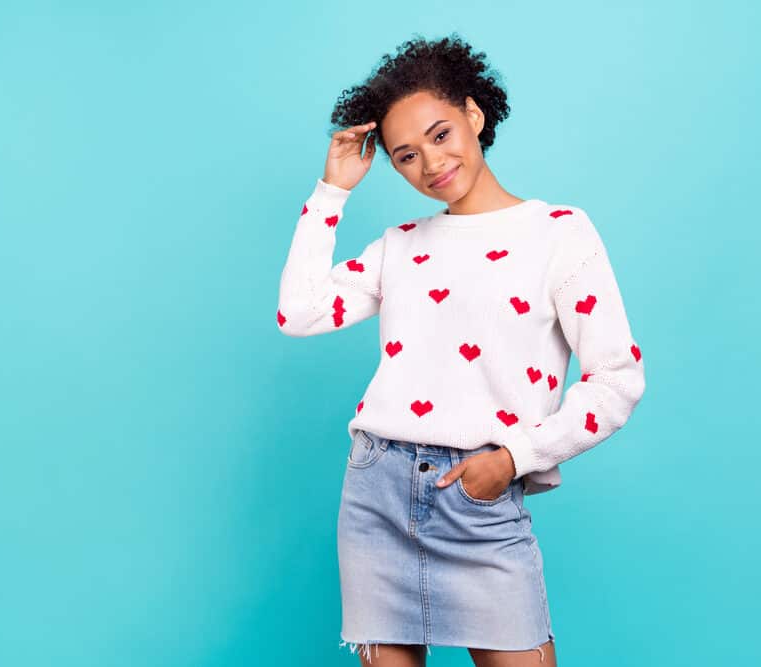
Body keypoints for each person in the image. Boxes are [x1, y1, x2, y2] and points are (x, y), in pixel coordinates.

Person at [277, 33, 646, 667]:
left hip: (478, 491)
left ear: (474, 116)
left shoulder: (559, 233)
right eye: (406, 155)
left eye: (441, 134)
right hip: (377, 492)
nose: (431, 164)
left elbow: (616, 380)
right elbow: (299, 312)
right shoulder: (401, 245)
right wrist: (333, 190)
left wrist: (514, 458)